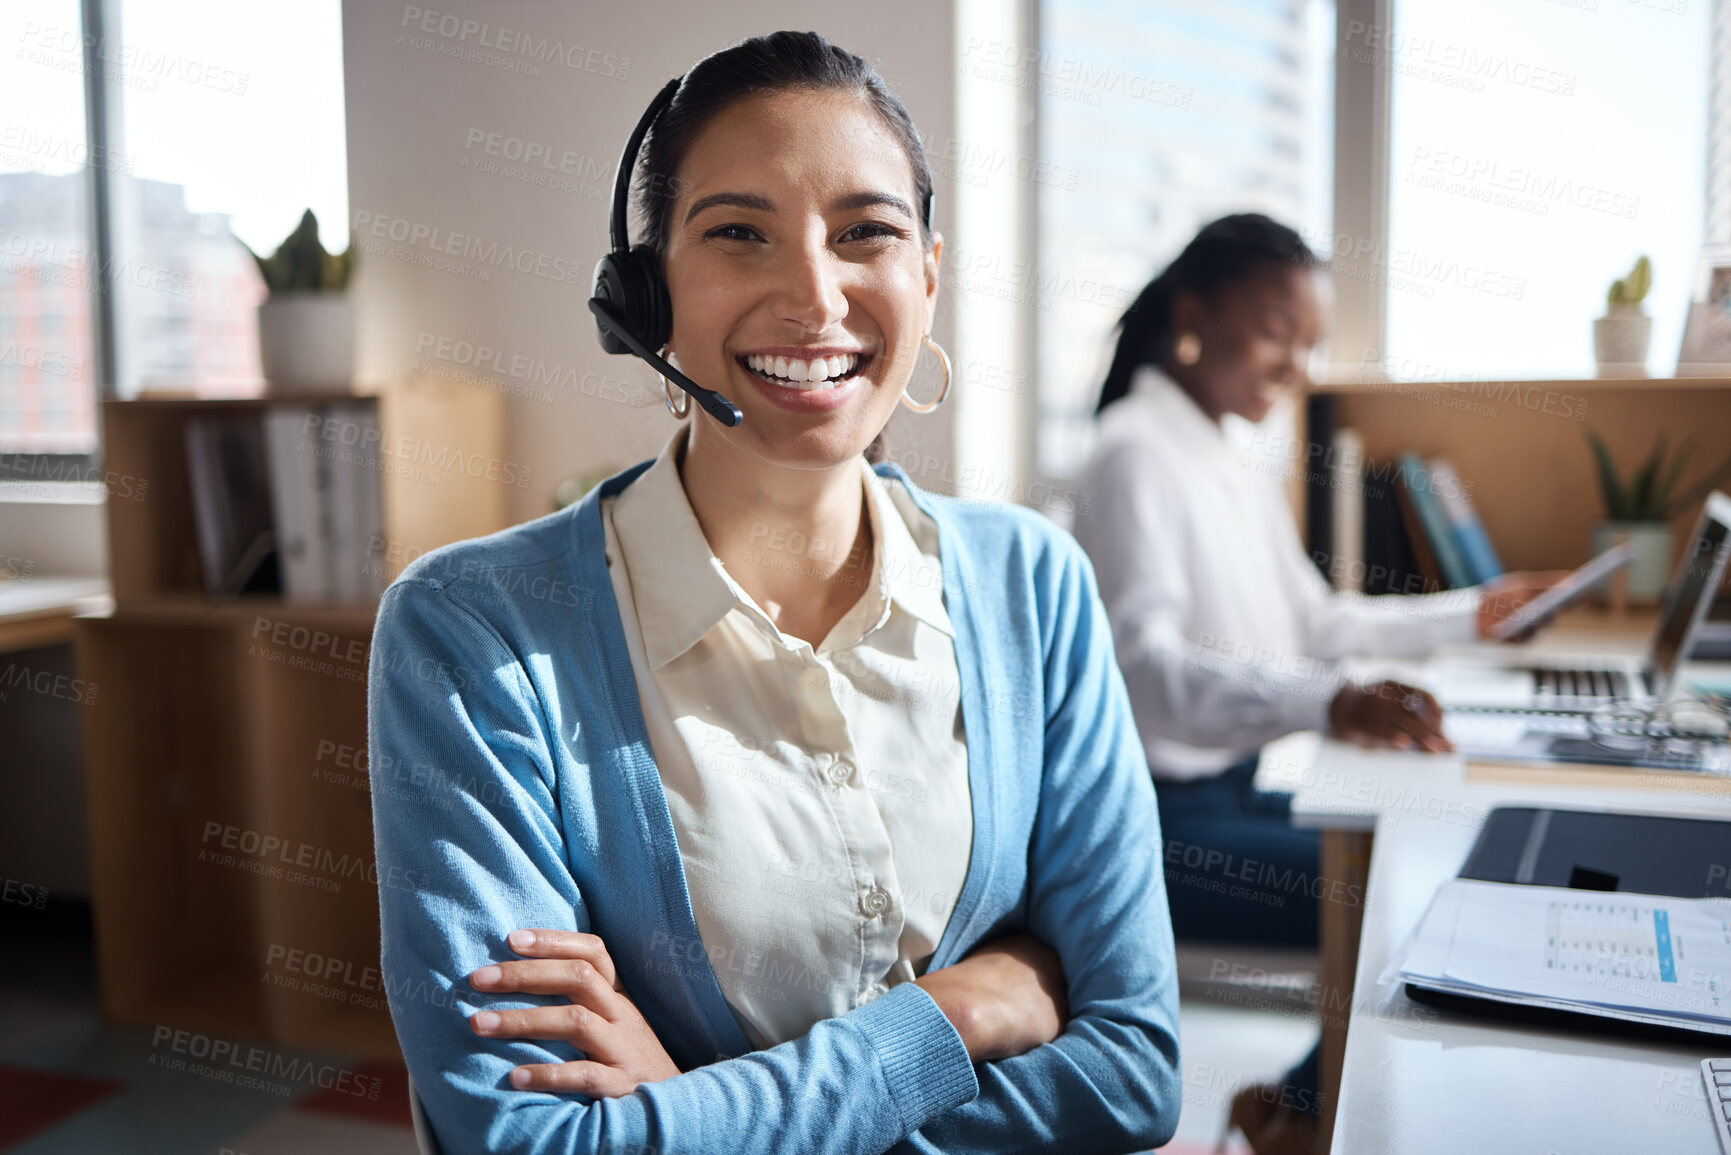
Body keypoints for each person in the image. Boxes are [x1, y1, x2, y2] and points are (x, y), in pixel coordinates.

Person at [369, 31, 1181, 1155]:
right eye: (739, 233)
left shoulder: (1034, 583)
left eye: (867, 234)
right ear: (648, 291)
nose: (813, 294)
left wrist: (697, 1110)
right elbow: (528, 1143)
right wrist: (952, 1015)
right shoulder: (474, 632)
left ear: (928, 278)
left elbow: (1135, 1076)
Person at [1069, 213, 1555, 1154]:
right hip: (1151, 823)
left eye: (1309, 342)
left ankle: (1289, 1110)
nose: (1294, 364)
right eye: (1273, 330)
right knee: (1405, 899)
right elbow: (1150, 674)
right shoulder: (1133, 451)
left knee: (1418, 864)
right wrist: (1324, 701)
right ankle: (1295, 1115)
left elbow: (1317, 624)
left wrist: (1472, 613)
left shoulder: (1226, 452)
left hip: (1229, 790)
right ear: (1192, 314)